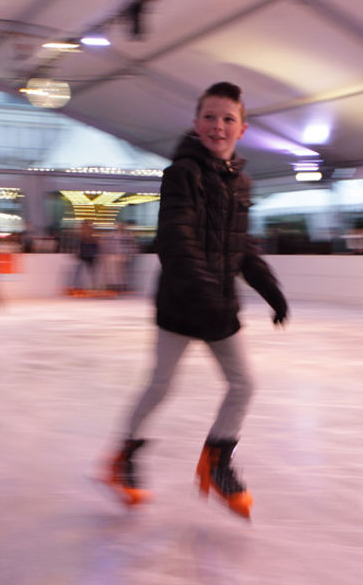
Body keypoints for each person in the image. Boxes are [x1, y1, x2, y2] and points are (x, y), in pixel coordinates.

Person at [99, 82, 288, 520]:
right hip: (183, 303)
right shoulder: (182, 172)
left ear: (242, 128)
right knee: (160, 385)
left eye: (227, 119)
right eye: (210, 117)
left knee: (243, 384)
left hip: (220, 304)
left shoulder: (241, 181)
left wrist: (270, 288)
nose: (217, 126)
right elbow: (176, 242)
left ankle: (216, 461)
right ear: (195, 123)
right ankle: (120, 458)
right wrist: (204, 293)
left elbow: (240, 247)